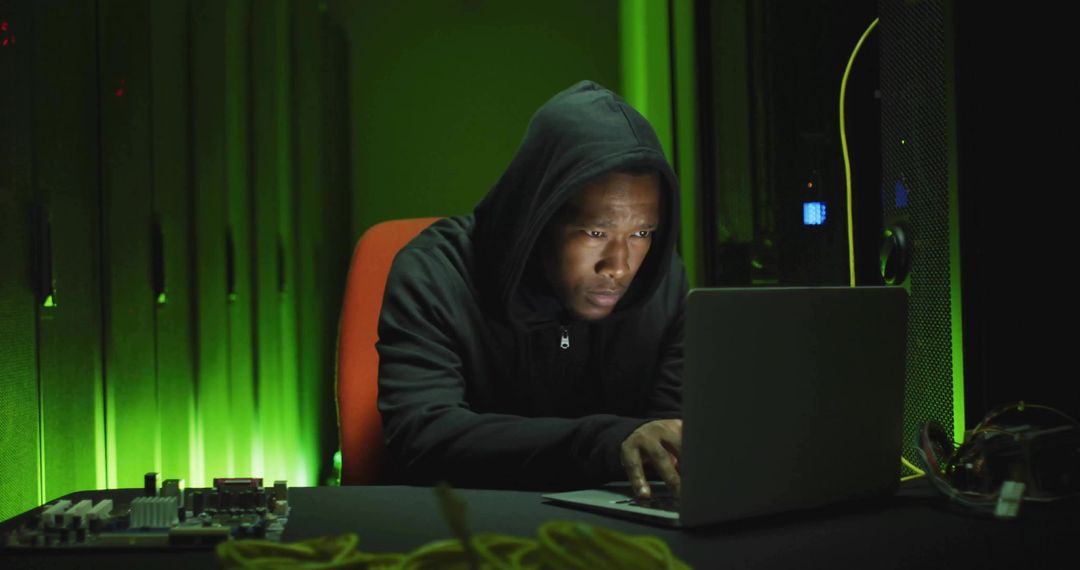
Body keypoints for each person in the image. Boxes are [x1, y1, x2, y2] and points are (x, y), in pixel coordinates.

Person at [376, 80, 687, 499]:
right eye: (596, 231)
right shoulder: (435, 272)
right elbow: (422, 438)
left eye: (642, 232)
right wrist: (608, 442)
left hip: (621, 537)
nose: (619, 265)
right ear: (535, 217)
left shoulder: (663, 284)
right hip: (468, 527)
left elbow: (670, 442)